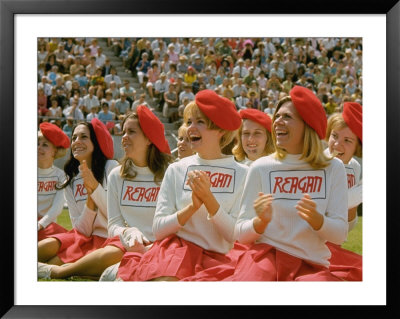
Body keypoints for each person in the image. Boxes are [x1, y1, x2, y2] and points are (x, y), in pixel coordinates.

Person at [115, 89, 248, 281]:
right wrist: (192, 207)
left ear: (220, 130)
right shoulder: (176, 169)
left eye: (200, 122)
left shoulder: (243, 174)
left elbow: (235, 236)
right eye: (189, 122)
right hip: (176, 252)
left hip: (219, 260)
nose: (190, 128)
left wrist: (209, 201)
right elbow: (158, 229)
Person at [223, 85, 350, 281]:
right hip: (264, 259)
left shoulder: (334, 168)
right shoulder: (261, 167)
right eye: (277, 116)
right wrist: (260, 222)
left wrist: (318, 220)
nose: (277, 122)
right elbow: (240, 233)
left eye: (287, 117)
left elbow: (340, 235)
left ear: (308, 125)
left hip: (311, 264)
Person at [97, 107, 174, 281]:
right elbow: (113, 225)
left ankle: (118, 272)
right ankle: (55, 271)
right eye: (123, 132)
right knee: (107, 254)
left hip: (164, 246)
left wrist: (154, 244)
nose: (124, 137)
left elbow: (179, 221)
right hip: (128, 244)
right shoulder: (116, 175)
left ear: (148, 138)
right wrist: (128, 232)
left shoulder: (170, 172)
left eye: (131, 132)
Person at [37, 118, 119, 279]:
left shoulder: (111, 168)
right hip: (82, 236)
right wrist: (90, 203)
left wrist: (95, 189)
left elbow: (115, 216)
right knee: (44, 247)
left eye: (83, 137)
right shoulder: (71, 180)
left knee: (55, 261)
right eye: (74, 137)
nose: (76, 142)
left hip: (108, 239)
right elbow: (80, 229)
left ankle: (62, 269)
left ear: (95, 142)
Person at [324, 102, 363, 281]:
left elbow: (348, 224)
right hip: (309, 247)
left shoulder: (354, 167)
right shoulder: (315, 161)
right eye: (334, 136)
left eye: (348, 140)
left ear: (357, 148)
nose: (338, 145)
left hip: (334, 247)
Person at [37, 122, 70, 241]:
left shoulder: (61, 176)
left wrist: (40, 225)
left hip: (48, 226)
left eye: (45, 145)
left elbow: (57, 208)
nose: (39, 147)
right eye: (37, 143)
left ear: (55, 151)